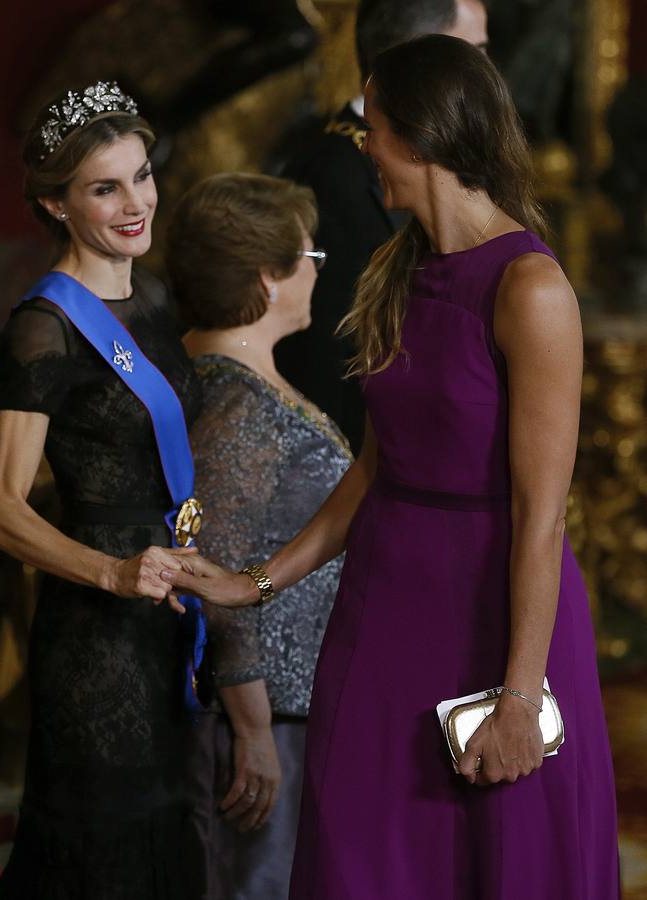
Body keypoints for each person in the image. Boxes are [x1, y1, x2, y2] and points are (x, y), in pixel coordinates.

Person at [169, 36, 621, 900]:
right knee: (364, 860)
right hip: (381, 617)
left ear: (421, 137)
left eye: (370, 128)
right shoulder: (396, 271)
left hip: (499, 619)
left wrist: (520, 699)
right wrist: (252, 584)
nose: (361, 145)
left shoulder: (530, 289)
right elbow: (376, 472)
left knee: (499, 861)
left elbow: (542, 515)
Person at [0, 82, 204, 898]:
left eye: (141, 176)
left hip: (170, 615)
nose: (135, 202)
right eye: (104, 188)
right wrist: (113, 573)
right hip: (97, 638)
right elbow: (1, 509)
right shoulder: (42, 326)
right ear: (55, 203)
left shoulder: (149, 293)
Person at [165, 173, 352, 899]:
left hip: (294, 705)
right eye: (310, 257)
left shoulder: (229, 381)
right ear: (266, 278)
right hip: (269, 718)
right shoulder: (238, 409)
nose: (315, 272)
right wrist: (251, 732)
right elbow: (217, 578)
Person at [276, 0, 489, 453]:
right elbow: (328, 351)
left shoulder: (441, 163)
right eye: (474, 53)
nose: (489, 74)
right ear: (419, 59)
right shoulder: (332, 173)